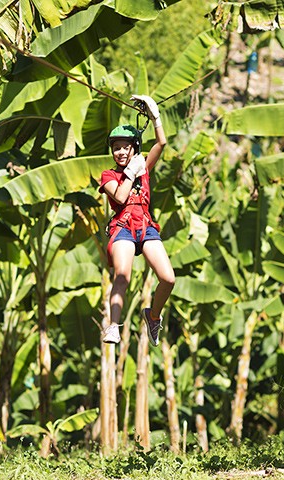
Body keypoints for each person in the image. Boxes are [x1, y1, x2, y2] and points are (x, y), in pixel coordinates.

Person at [98, 94, 175, 347]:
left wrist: (155, 117)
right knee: (122, 276)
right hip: (123, 228)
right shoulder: (108, 175)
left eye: (125, 147)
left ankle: (152, 316)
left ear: (135, 148)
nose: (120, 152)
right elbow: (120, 197)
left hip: (146, 227)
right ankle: (113, 326)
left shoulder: (144, 167)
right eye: (116, 148)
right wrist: (131, 172)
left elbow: (161, 143)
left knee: (168, 278)